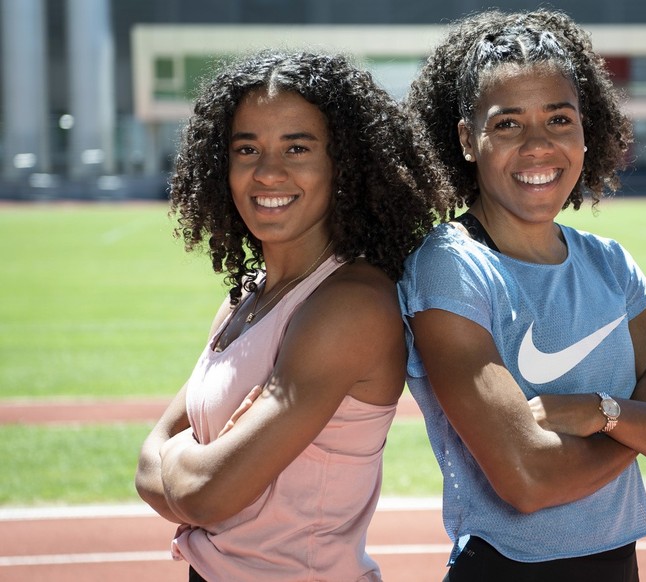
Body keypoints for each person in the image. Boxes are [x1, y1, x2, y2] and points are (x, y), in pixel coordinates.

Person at [399, 9, 646, 581]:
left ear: (585, 129)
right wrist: (640, 417)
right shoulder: (449, 268)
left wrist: (599, 413)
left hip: (617, 567)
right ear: (466, 140)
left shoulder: (610, 265)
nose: (537, 145)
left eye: (559, 119)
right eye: (507, 124)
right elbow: (527, 480)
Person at [135, 50, 449, 581]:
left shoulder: (350, 303)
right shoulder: (246, 297)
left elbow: (205, 494)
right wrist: (182, 465)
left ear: (343, 164)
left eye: (296, 148)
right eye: (246, 149)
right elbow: (150, 467)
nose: (268, 172)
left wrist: (177, 461)